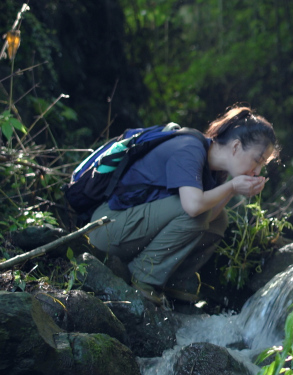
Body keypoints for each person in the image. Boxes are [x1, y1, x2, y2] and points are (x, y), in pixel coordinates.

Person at [88, 106, 278, 305]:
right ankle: (142, 275)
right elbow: (193, 207)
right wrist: (231, 186)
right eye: (257, 160)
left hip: (130, 229)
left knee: (220, 220)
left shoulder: (216, 170)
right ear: (236, 146)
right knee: (194, 210)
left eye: (262, 165)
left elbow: (208, 218)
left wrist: (230, 189)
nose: (257, 171)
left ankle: (173, 279)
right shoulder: (190, 149)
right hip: (107, 228)